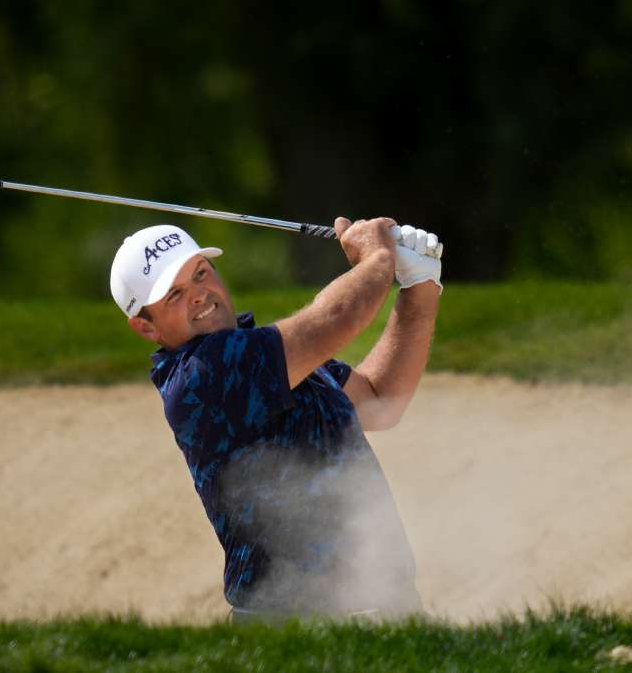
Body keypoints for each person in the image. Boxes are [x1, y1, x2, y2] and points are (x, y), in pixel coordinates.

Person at [109, 217, 442, 622]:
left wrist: (420, 286)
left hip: (386, 606)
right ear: (145, 326)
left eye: (200, 274)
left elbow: (380, 398)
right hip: (295, 624)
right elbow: (338, 316)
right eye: (174, 294)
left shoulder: (268, 359)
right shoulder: (203, 376)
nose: (198, 295)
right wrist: (377, 257)